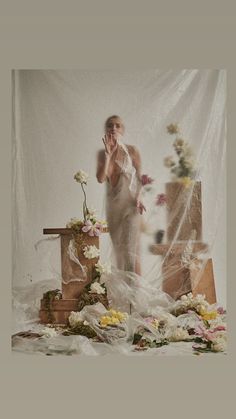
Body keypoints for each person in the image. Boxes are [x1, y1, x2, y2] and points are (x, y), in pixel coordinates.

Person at [96, 115, 145, 275]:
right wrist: (108, 155)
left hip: (131, 207)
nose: (114, 128)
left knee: (131, 252)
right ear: (106, 129)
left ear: (122, 130)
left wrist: (139, 197)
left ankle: (134, 296)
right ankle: (124, 294)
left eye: (118, 126)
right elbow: (101, 178)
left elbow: (140, 178)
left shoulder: (132, 151)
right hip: (114, 209)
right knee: (119, 254)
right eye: (110, 125)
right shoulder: (102, 154)